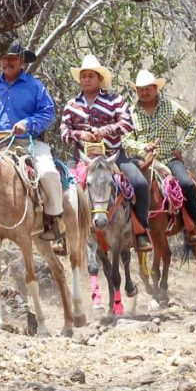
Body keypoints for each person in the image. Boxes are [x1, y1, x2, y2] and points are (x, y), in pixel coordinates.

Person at [0, 40, 66, 247]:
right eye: (4, 57)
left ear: (21, 61)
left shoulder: (35, 86)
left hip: (28, 142)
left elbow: (48, 113)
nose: (7, 62)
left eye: (12, 58)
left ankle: (54, 221)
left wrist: (28, 123)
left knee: (48, 173)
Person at [60, 54, 150, 251]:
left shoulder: (115, 100)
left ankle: (142, 230)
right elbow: (64, 133)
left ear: (99, 78)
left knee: (140, 184)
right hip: (82, 159)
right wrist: (80, 134)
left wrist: (106, 130)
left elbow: (128, 123)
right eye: (83, 76)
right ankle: (63, 235)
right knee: (63, 189)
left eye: (91, 76)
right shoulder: (71, 104)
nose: (86, 79)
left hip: (113, 156)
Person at [122, 69, 196, 242]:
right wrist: (144, 146)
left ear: (155, 88)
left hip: (169, 158)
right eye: (140, 89)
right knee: (130, 188)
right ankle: (135, 229)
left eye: (147, 88)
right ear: (136, 91)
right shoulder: (130, 113)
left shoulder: (170, 107)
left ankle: (194, 222)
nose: (144, 92)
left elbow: (193, 126)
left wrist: (180, 147)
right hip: (142, 161)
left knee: (187, 183)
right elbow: (126, 141)